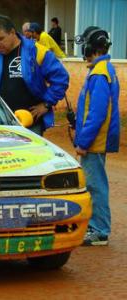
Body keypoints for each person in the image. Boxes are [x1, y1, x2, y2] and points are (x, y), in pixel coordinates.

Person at [74, 26, 119, 246]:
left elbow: (98, 113)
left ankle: (99, 230)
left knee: (95, 185)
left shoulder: (100, 73)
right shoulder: (101, 70)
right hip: (95, 139)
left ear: (92, 47)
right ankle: (97, 227)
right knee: (95, 183)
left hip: (94, 141)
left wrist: (83, 142)